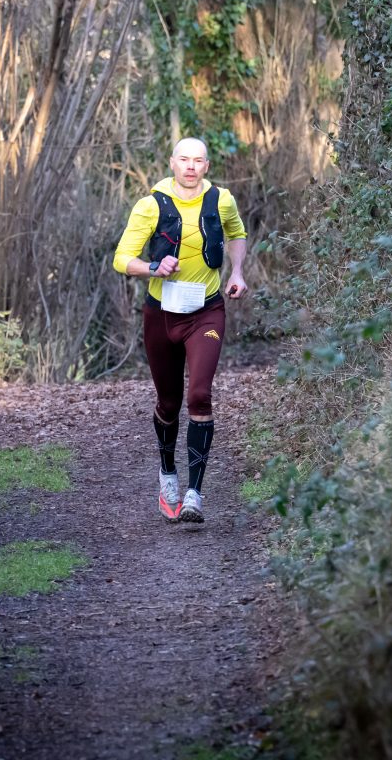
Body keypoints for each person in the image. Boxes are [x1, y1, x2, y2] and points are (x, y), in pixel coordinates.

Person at [113, 137, 248, 524]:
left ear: (207, 166)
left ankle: (194, 494)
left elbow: (236, 234)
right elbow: (122, 259)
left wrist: (237, 272)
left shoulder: (222, 200)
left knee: (200, 396)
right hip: (162, 314)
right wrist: (153, 268)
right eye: (184, 159)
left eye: (198, 160)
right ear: (172, 163)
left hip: (206, 311)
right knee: (169, 404)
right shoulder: (150, 205)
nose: (191, 166)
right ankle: (168, 474)